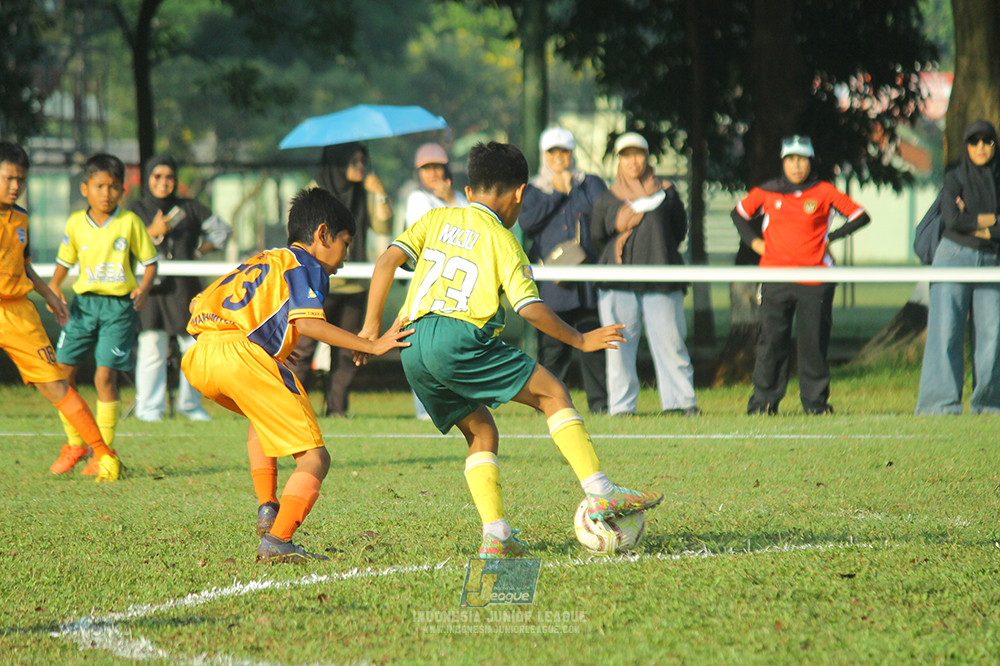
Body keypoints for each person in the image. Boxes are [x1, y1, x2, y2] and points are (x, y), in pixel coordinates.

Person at [360, 141, 663, 559]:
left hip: (412, 345)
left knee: (481, 430)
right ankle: (602, 493)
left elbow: (385, 262)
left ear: (468, 192)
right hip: (459, 337)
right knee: (553, 393)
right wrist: (580, 338)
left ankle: (497, 534)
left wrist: (369, 332)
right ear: (520, 193)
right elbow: (531, 309)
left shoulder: (435, 218)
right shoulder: (503, 240)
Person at [181, 187, 411, 563]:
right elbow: (306, 323)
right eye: (346, 243)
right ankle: (278, 541)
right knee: (316, 459)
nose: (345, 258)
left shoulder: (264, 259)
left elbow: (197, 302)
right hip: (242, 356)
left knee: (261, 417)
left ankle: (268, 505)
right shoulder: (308, 266)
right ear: (322, 235)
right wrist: (370, 344)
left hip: (202, 355)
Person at [0, 142, 119, 481]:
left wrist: (50, 295)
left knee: (56, 385)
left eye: (20, 180)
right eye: (9, 178)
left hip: (17, 312)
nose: (15, 186)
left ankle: (101, 453)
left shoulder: (21, 217)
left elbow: (25, 266)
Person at [731, 135, 871, 415]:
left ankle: (815, 403)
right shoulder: (768, 191)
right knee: (771, 342)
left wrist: (831, 237)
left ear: (811, 162)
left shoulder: (824, 191)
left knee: (813, 343)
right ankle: (763, 403)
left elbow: (860, 215)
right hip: (775, 278)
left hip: (815, 280)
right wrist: (756, 243)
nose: (797, 166)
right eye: (791, 160)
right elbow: (739, 214)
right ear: (783, 162)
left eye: (802, 160)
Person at [48, 153, 159, 479]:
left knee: (103, 377)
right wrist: (54, 289)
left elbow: (150, 262)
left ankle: (105, 454)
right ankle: (75, 444)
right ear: (85, 188)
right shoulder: (74, 224)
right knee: (61, 375)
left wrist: (145, 287)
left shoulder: (129, 223)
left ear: (122, 190)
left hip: (118, 309)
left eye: (112, 187)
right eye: (99, 186)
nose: (105, 193)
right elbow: (63, 266)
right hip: (82, 307)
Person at [591, 132, 698, 417]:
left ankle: (681, 403)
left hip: (662, 284)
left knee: (671, 345)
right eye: (626, 156)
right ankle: (622, 408)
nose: (633, 161)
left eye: (638, 154)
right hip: (617, 285)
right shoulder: (606, 198)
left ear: (647, 157)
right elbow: (597, 237)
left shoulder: (667, 192)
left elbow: (678, 231)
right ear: (619, 161)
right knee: (618, 351)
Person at [290, 143, 392, 417]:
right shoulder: (315, 192)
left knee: (347, 353)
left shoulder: (365, 193)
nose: (360, 167)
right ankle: (293, 408)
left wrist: (379, 193)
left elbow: (384, 225)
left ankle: (337, 409)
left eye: (363, 161)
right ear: (337, 162)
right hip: (315, 284)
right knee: (302, 350)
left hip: (354, 284)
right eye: (354, 161)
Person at [129, 154, 232, 422]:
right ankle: (149, 409)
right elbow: (122, 245)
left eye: (170, 177)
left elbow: (223, 232)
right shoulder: (135, 211)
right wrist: (151, 231)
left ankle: (190, 405)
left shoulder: (190, 207)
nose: (164, 182)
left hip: (185, 292)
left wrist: (198, 252)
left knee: (194, 349)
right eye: (157, 176)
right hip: (150, 291)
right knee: (151, 347)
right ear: (148, 178)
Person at [520, 127, 609, 414]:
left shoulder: (589, 182)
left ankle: (600, 406)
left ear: (572, 153)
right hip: (553, 285)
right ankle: (546, 406)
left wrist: (573, 189)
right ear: (544, 155)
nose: (558, 157)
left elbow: (602, 214)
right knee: (554, 349)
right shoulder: (533, 188)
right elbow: (528, 223)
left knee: (595, 347)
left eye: (564, 151)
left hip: (586, 283)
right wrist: (557, 193)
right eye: (552, 152)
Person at [916, 120, 1000, 414]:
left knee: (992, 335)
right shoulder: (955, 177)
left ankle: (989, 405)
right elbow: (952, 220)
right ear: (966, 146)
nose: (980, 147)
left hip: (992, 261)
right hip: (952, 257)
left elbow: (966, 222)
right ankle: (939, 405)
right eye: (974, 141)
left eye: (986, 141)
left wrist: (974, 224)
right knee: (945, 330)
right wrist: (991, 221)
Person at [403, 142, 468, 420]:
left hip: (457, 288)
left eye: (436, 167)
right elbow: (432, 235)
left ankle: (456, 406)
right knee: (422, 347)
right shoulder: (417, 199)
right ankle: (425, 410)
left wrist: (452, 200)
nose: (432, 174)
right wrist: (451, 205)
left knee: (453, 348)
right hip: (426, 289)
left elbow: (476, 226)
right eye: (426, 168)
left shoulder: (460, 199)